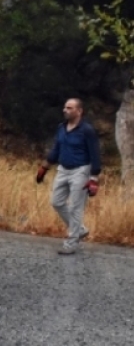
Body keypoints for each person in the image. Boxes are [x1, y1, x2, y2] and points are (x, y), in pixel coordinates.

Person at [35, 97, 102, 255]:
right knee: (56, 202)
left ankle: (71, 243)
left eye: (69, 108)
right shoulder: (61, 127)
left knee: (75, 207)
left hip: (81, 170)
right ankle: (80, 230)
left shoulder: (87, 130)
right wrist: (45, 167)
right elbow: (56, 149)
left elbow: (95, 154)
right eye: (65, 107)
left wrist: (94, 178)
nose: (65, 110)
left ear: (79, 111)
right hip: (63, 169)